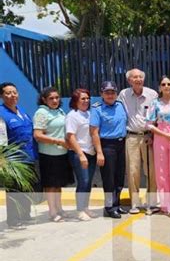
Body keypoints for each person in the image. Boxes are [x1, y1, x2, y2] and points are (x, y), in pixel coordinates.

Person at [118, 68, 158, 214]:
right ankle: (134, 203)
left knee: (151, 171)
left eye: (140, 77)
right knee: (133, 171)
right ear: (129, 80)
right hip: (132, 137)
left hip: (149, 136)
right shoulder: (123, 94)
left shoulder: (152, 94)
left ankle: (152, 203)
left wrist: (152, 133)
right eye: (134, 77)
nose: (138, 79)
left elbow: (157, 115)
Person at [0, 82, 38, 230]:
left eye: (14, 92)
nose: (12, 95)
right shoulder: (2, 115)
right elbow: (1, 140)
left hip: (28, 156)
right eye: (8, 93)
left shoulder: (22, 111)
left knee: (26, 188)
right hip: (13, 160)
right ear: (2, 96)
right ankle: (13, 219)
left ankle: (25, 215)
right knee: (14, 190)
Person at [33, 87, 74, 222]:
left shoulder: (59, 111)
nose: (55, 100)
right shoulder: (41, 113)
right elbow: (38, 135)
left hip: (61, 153)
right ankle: (52, 212)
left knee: (58, 184)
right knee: (51, 184)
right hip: (48, 154)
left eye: (57, 97)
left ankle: (59, 208)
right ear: (44, 99)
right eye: (51, 98)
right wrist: (57, 141)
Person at [147, 75, 170, 217]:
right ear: (159, 87)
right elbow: (149, 124)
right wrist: (163, 134)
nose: (166, 86)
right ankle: (165, 204)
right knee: (161, 171)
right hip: (160, 138)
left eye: (169, 84)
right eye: (163, 84)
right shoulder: (155, 103)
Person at [90, 81, 128, 219]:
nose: (110, 95)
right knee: (109, 179)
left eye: (112, 92)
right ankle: (109, 207)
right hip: (107, 146)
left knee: (119, 177)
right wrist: (99, 152)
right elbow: (94, 132)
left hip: (121, 145)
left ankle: (116, 205)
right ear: (101, 94)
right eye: (107, 92)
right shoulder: (97, 109)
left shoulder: (120, 106)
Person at [65, 88, 98, 221]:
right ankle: (79, 210)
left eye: (87, 98)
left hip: (91, 152)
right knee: (83, 181)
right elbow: (70, 136)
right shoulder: (73, 115)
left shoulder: (89, 114)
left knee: (88, 182)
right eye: (82, 99)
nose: (86, 101)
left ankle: (85, 207)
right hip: (80, 153)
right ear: (75, 101)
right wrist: (80, 154)